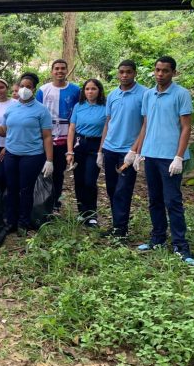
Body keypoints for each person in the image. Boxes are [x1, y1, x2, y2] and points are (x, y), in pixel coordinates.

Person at [133, 56, 194, 266]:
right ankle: (157, 238)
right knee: (155, 200)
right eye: (158, 70)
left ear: (173, 73)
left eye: (165, 71)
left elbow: (186, 127)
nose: (160, 74)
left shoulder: (181, 94)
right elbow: (145, 124)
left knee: (173, 201)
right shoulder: (148, 95)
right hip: (151, 155)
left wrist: (179, 156)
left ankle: (181, 246)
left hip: (170, 157)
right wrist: (137, 151)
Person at [0, 73, 53, 237]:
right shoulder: (12, 108)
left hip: (32, 156)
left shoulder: (41, 110)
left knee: (26, 190)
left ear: (34, 89)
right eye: (22, 86)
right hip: (11, 155)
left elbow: (47, 136)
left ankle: (24, 222)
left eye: (28, 87)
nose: (24, 89)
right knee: (11, 189)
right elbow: (3, 131)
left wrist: (49, 160)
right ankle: (10, 221)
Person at [98, 60, 146, 241]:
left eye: (128, 72)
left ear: (135, 73)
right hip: (110, 148)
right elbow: (108, 122)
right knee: (111, 189)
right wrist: (101, 150)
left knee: (123, 190)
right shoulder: (113, 95)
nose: (124, 75)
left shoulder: (144, 94)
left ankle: (121, 229)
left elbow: (145, 125)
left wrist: (135, 151)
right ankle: (117, 224)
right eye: (121, 72)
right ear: (118, 73)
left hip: (128, 152)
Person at [36, 59, 81, 211]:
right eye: (56, 69)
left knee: (58, 172)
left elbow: (78, 111)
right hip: (45, 134)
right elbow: (36, 110)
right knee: (43, 170)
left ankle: (55, 202)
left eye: (63, 68)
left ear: (66, 70)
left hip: (65, 135)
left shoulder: (75, 90)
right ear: (52, 71)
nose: (59, 71)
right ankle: (42, 201)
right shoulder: (43, 90)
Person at [66, 79, 107, 228]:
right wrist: (69, 151)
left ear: (99, 91)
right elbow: (71, 129)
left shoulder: (105, 107)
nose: (90, 92)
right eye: (87, 89)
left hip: (95, 145)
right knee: (79, 181)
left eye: (93, 89)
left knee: (90, 181)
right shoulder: (79, 106)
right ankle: (82, 212)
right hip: (79, 144)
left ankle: (91, 214)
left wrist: (101, 150)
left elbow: (106, 129)